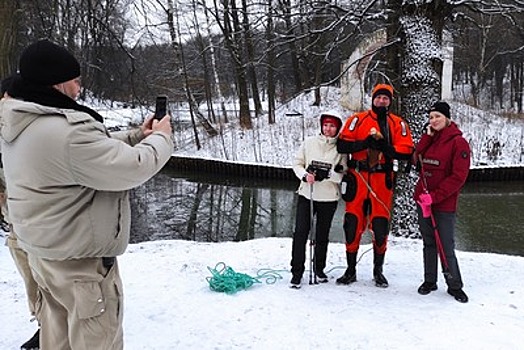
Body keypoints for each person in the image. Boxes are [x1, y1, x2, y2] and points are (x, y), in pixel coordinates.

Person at [1, 39, 173, 349]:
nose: (80, 88)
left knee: (58, 339)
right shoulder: (67, 133)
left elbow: (85, 150)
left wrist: (136, 135)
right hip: (80, 266)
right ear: (58, 82)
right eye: (76, 80)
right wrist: (161, 139)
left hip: (46, 257)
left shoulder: (22, 122)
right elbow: (134, 166)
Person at [336, 84, 414, 288]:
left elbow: (406, 151)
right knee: (352, 224)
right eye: (378, 97)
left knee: (380, 226)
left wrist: (385, 148)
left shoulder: (398, 123)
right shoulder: (357, 120)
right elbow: (342, 145)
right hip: (358, 176)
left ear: (390, 101)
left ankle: (378, 271)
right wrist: (364, 144)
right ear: (372, 99)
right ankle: (350, 270)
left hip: (382, 180)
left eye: (386, 98)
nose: (382, 101)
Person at [413, 101, 470, 303]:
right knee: (428, 243)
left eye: (437, 116)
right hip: (423, 201)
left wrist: (435, 197)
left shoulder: (458, 143)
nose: (434, 120)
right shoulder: (430, 139)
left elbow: (458, 178)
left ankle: (454, 285)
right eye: (431, 117)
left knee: (445, 245)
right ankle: (430, 281)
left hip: (443, 204)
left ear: (447, 118)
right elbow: (415, 160)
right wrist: (426, 138)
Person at [1, 73, 42, 350]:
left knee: (48, 279)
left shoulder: (37, 131)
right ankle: (43, 324)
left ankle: (53, 327)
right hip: (14, 223)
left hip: (42, 224)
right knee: (30, 280)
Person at [290, 110, 346, 288]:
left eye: (332, 126)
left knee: (322, 235)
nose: (328, 129)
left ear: (337, 128)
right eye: (326, 125)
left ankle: (319, 269)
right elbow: (297, 163)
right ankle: (297, 272)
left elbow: (343, 173)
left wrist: (328, 175)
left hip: (328, 198)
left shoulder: (341, 149)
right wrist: (305, 175)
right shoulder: (309, 143)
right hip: (308, 194)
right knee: (301, 233)